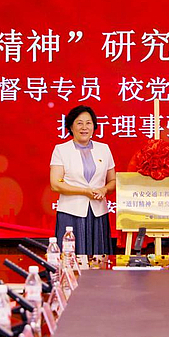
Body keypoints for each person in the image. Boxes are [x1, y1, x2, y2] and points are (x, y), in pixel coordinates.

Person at [49, 105, 116, 255]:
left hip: (98, 213)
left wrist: (104, 189)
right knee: (71, 257)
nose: (84, 127)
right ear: (71, 127)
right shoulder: (61, 150)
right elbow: (55, 184)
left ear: (94, 126)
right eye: (79, 123)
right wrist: (84, 191)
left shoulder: (104, 149)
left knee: (99, 258)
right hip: (71, 213)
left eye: (88, 123)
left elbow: (113, 181)